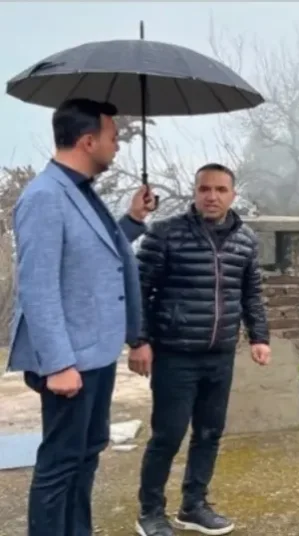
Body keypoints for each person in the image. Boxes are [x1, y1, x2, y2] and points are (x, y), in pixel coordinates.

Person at [7, 98, 156, 536]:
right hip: (68, 361)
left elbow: (97, 254)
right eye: (112, 138)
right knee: (59, 464)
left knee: (87, 452)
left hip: (94, 353)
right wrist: (57, 364)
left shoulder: (80, 191)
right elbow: (36, 286)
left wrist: (132, 219)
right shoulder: (45, 197)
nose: (117, 147)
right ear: (88, 140)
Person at [131, 162, 271, 536]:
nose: (212, 196)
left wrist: (259, 337)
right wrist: (139, 341)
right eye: (204, 189)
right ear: (195, 193)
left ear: (232, 195)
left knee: (210, 433)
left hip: (220, 353)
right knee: (168, 435)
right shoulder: (165, 234)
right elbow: (138, 292)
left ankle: (193, 506)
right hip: (175, 353)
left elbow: (251, 293)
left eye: (220, 190)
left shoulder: (245, 240)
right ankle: (150, 512)